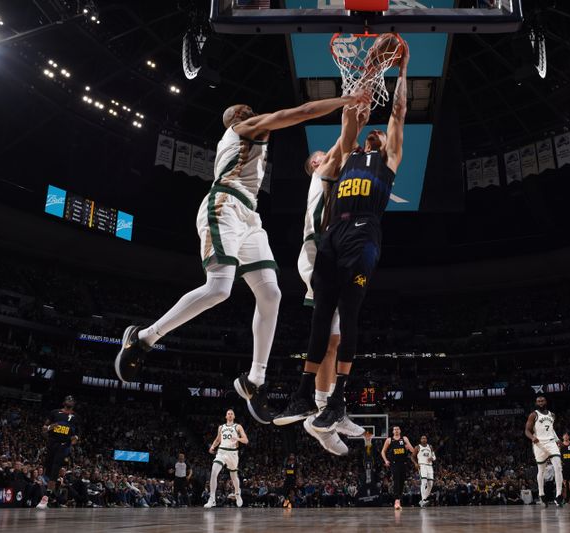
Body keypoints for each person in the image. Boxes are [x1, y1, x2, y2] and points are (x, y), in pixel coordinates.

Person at [114, 89, 370, 425]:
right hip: (224, 205)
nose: (247, 109)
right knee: (220, 288)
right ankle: (144, 338)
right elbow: (303, 110)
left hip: (249, 214)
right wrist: (344, 100)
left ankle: (255, 380)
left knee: (271, 294)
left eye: (248, 107)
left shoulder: (253, 140)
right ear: (235, 121)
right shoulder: (241, 130)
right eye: (241, 110)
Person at [276, 39, 411, 431]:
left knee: (348, 315)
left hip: (364, 232)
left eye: (381, 134)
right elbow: (350, 118)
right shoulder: (345, 156)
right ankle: (304, 395)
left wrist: (400, 72)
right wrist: (365, 79)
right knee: (321, 317)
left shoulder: (389, 158)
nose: (377, 135)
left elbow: (399, 113)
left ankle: (336, 401)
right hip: (333, 233)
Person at [280, 105, 371, 453]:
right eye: (321, 155)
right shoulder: (322, 174)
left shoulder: (338, 178)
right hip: (318, 257)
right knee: (331, 338)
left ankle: (328, 410)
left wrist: (358, 122)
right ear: (315, 165)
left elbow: (349, 147)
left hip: (332, 256)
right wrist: (354, 111)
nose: (327, 156)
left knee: (335, 340)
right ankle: (322, 413)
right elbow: (344, 143)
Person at [36, 395, 79, 509]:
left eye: (71, 399)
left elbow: (76, 436)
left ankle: (45, 498)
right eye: (67, 399)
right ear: (64, 401)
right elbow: (44, 430)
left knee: (55, 471)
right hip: (52, 444)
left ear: (74, 403)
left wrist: (74, 441)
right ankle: (52, 494)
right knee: (48, 471)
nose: (69, 401)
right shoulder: (54, 412)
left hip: (64, 446)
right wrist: (50, 427)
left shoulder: (75, 417)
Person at [524, 395, 564, 507]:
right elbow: (527, 430)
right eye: (538, 401)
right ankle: (542, 494)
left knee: (558, 467)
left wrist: (557, 439)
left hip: (551, 442)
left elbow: (551, 429)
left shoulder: (552, 415)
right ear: (536, 403)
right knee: (541, 470)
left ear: (546, 401)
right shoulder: (534, 415)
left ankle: (559, 496)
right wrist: (532, 438)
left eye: (542, 400)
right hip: (539, 444)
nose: (540, 402)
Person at [205, 409, 248, 508]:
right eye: (228, 414)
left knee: (234, 477)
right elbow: (218, 439)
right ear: (226, 416)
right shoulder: (221, 427)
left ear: (234, 416)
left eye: (231, 414)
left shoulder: (237, 426)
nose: (229, 415)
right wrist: (212, 446)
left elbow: (245, 440)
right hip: (221, 451)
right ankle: (212, 499)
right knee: (214, 472)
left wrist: (237, 438)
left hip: (232, 453)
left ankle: (237, 493)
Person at [381, 426, 414, 510]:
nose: (396, 431)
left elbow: (412, 450)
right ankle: (396, 500)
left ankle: (398, 499)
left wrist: (408, 447)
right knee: (396, 479)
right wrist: (386, 460)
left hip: (403, 463)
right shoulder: (389, 440)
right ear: (392, 431)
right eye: (394, 429)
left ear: (400, 431)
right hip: (394, 463)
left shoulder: (404, 438)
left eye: (397, 429)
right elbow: (383, 451)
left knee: (402, 481)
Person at [413, 435, 436, 507]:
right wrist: (415, 463)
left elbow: (434, 457)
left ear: (427, 439)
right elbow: (412, 456)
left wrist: (432, 458)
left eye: (425, 438)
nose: (424, 439)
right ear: (420, 440)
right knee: (424, 482)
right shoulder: (418, 447)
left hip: (429, 466)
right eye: (422, 438)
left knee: (431, 484)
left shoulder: (430, 447)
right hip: (422, 465)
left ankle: (424, 499)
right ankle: (423, 500)